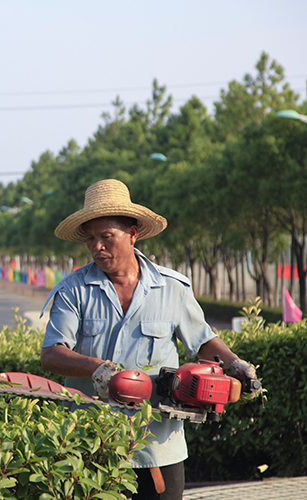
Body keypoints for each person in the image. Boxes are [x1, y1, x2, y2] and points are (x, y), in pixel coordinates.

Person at [40, 179, 256, 500]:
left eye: (106, 237)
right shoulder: (73, 290)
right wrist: (99, 369)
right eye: (90, 239)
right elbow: (52, 354)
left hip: (159, 445)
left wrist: (235, 363)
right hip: (93, 443)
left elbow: (202, 340)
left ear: (133, 234)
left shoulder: (173, 288)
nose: (97, 246)